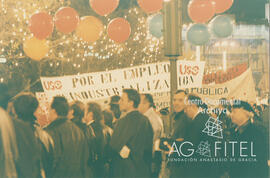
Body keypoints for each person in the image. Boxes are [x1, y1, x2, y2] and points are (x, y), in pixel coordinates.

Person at [110, 89, 153, 178]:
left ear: (131, 103)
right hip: (142, 170)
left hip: (124, 171)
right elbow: (148, 148)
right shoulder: (146, 120)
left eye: (122, 99)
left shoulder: (122, 122)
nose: (119, 102)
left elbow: (113, 145)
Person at [44, 96, 89, 178]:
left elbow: (50, 162)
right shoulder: (78, 131)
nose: (48, 112)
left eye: (49, 110)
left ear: (54, 111)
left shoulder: (50, 132)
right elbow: (85, 158)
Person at [12, 93, 54, 178]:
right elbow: (49, 165)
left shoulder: (8, 133)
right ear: (35, 110)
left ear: (14, 110)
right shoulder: (43, 136)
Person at [229, 100, 269, 178]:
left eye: (234, 112)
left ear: (245, 113)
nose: (231, 115)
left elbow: (259, 163)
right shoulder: (235, 132)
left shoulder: (257, 133)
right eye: (231, 112)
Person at [183, 94, 219, 178]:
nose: (185, 111)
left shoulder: (197, 122)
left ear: (193, 105)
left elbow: (191, 147)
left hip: (200, 170)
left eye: (186, 108)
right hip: (209, 168)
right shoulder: (206, 118)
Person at [138, 93, 163, 178]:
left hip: (149, 162)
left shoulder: (152, 119)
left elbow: (151, 142)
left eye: (139, 102)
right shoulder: (147, 118)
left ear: (146, 104)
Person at [69, 101, 96, 177]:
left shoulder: (69, 128)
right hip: (87, 169)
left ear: (72, 112)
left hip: (73, 170)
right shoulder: (88, 128)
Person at [85, 102, 113, 178]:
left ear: (90, 114)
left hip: (93, 169)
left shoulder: (87, 129)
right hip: (107, 168)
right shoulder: (108, 129)